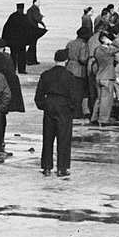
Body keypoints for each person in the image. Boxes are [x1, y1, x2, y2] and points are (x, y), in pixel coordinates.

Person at [35, 49, 81, 178]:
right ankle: (62, 168)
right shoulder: (69, 76)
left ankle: (47, 167)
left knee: (48, 138)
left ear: (55, 60)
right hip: (64, 106)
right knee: (64, 138)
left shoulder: (46, 74)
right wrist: (71, 108)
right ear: (66, 61)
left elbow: (39, 95)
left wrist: (44, 105)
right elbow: (74, 96)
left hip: (49, 104)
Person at [90, 32, 119, 125]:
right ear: (103, 39)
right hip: (107, 77)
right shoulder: (107, 51)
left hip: (99, 75)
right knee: (106, 100)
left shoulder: (97, 50)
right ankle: (103, 120)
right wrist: (112, 42)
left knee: (99, 99)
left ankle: (94, 118)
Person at [65, 27, 92, 118]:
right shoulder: (83, 45)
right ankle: (77, 112)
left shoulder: (70, 43)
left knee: (71, 92)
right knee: (79, 92)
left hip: (69, 67)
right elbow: (82, 59)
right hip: (79, 69)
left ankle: (70, 110)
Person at [2, 3, 34, 73]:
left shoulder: (14, 16)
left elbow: (6, 28)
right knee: (17, 56)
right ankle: (18, 70)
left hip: (17, 41)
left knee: (19, 56)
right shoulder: (22, 17)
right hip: (18, 41)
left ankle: (17, 69)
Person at [26, 0, 46, 65]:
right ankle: (30, 59)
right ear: (34, 2)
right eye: (38, 2)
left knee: (32, 44)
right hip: (33, 29)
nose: (39, 4)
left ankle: (31, 59)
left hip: (29, 28)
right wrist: (42, 21)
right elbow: (36, 18)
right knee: (33, 45)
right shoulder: (35, 9)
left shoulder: (30, 9)